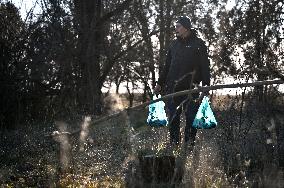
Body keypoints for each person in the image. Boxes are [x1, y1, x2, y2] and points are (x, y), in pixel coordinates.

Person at [154, 16, 211, 148]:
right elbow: (167, 66)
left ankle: (188, 147)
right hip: (173, 89)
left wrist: (206, 85)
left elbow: (205, 66)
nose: (176, 29)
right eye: (175, 26)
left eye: (178, 26)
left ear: (186, 27)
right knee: (173, 119)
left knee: (191, 119)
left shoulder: (199, 44)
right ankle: (174, 147)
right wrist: (159, 83)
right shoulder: (174, 45)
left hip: (192, 89)